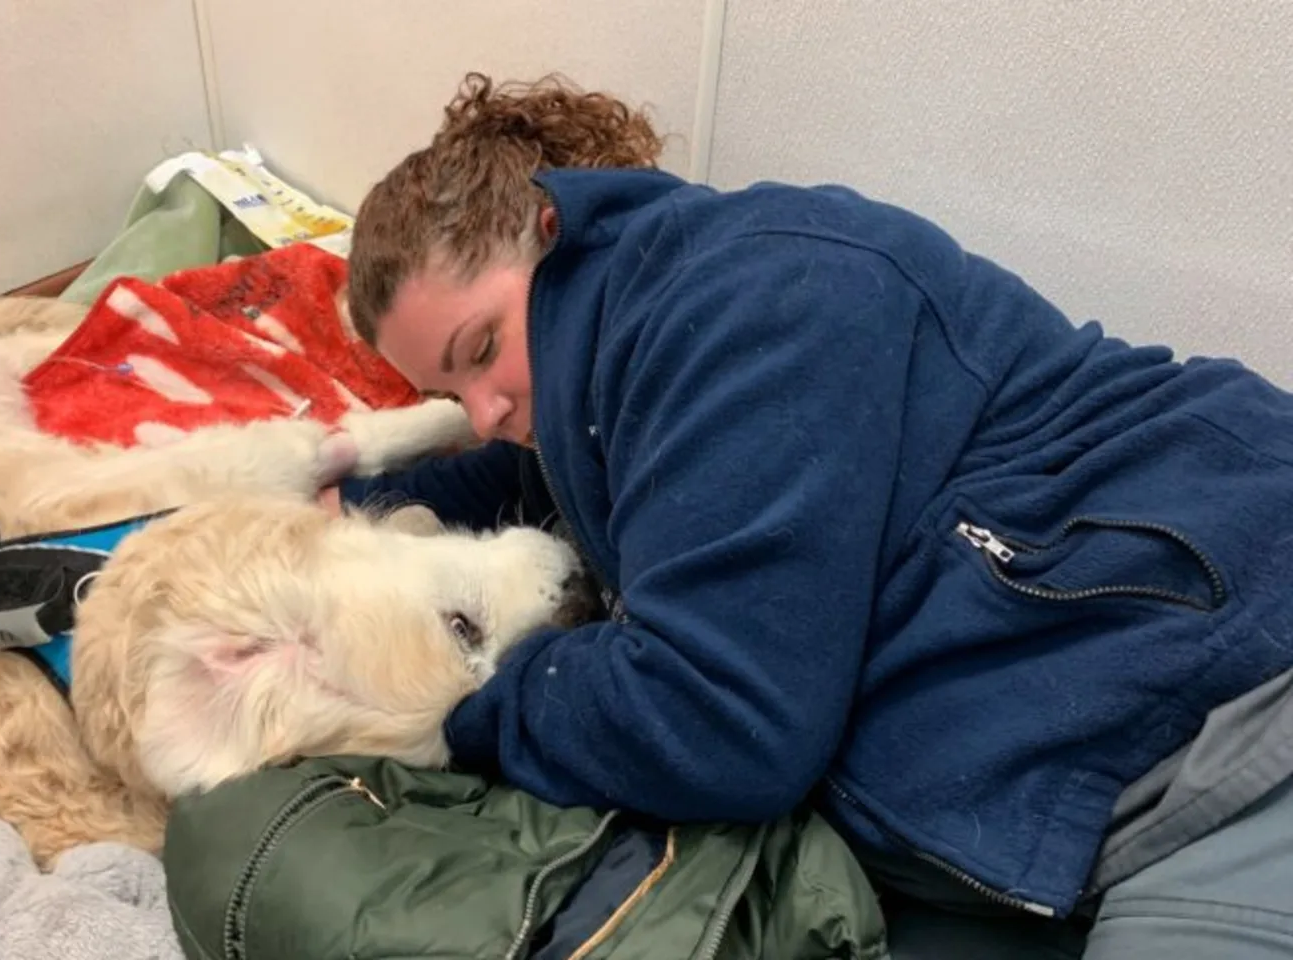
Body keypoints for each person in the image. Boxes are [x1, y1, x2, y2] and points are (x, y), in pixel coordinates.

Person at [319, 73, 1293, 957]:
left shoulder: (749, 298)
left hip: (1228, 686)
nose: (485, 410)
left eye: (481, 347)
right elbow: (505, 476)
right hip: (1042, 783)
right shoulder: (606, 381)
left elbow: (716, 720)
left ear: (547, 230)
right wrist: (333, 502)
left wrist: (452, 704)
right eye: (449, 392)